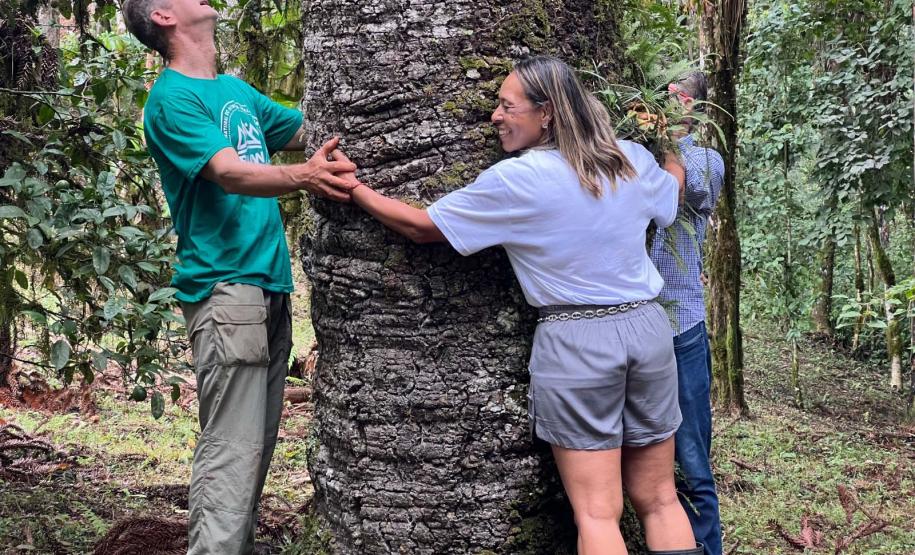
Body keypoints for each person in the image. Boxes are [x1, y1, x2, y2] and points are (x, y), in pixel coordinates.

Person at [332, 55, 704, 555]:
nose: (495, 117)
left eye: (508, 106)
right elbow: (671, 196)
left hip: (578, 341)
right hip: (647, 328)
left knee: (597, 512)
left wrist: (355, 189)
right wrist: (674, 146)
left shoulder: (519, 180)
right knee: (660, 499)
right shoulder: (629, 159)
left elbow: (422, 227)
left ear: (546, 112)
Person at [121, 1, 357, 553]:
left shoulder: (234, 89)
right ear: (162, 16)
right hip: (226, 290)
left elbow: (305, 129)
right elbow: (229, 173)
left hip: (268, 286)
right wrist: (306, 176)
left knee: (256, 448)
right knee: (232, 447)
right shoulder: (171, 99)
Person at [649, 71, 725, 555]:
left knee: (693, 454)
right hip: (628, 325)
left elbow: (690, 194)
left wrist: (664, 141)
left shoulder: (705, 158)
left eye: (681, 95)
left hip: (681, 324)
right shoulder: (631, 152)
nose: (671, 102)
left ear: (695, 107)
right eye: (666, 93)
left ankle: (707, 547)